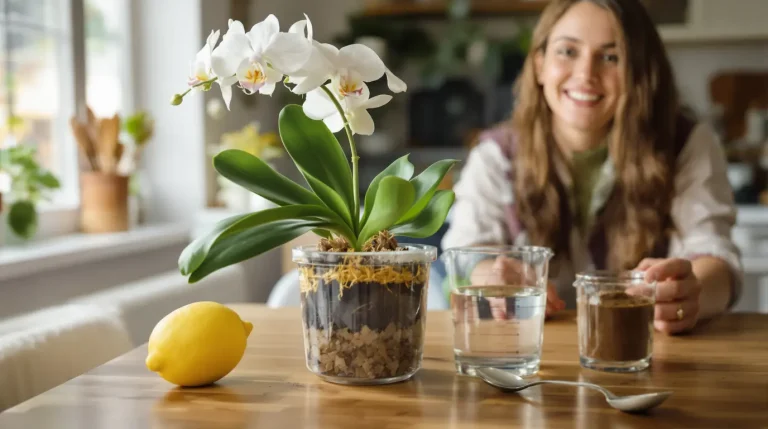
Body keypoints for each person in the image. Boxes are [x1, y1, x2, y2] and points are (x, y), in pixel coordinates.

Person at [441, 0, 742, 335]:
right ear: (540, 65)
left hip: (643, 356)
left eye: (611, 57)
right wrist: (491, 276)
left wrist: (691, 292)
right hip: (526, 356)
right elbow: (465, 256)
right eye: (568, 51)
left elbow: (715, 256)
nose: (586, 74)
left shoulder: (687, 144)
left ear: (639, 72)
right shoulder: (496, 155)